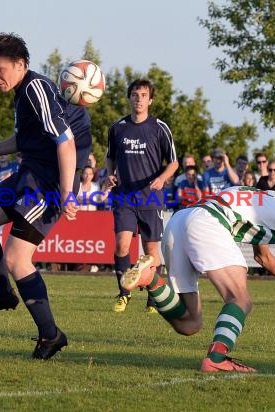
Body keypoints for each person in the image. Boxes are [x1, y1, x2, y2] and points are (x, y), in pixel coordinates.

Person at [119, 182, 275, 373]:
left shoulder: (266, 198)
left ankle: (150, 279)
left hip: (181, 220)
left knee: (189, 324)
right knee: (240, 300)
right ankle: (217, 358)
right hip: (209, 224)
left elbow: (264, 258)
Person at [0, 33, 92, 360]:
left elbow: (65, 142)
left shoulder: (35, 88)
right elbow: (25, 139)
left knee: (17, 259)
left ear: (20, 65)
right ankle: (3, 293)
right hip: (28, 176)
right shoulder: (25, 92)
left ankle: (51, 335)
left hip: (46, 183)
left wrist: (66, 192)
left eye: (0, 69)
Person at [105, 78, 178, 313]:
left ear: (150, 100)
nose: (139, 99)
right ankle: (124, 293)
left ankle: (153, 296)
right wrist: (110, 174)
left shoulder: (159, 127)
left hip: (150, 198)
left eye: (143, 95)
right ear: (129, 98)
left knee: (151, 253)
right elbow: (110, 157)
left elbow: (174, 163)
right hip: (124, 197)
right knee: (121, 246)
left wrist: (161, 178)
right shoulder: (118, 128)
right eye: (135, 95)